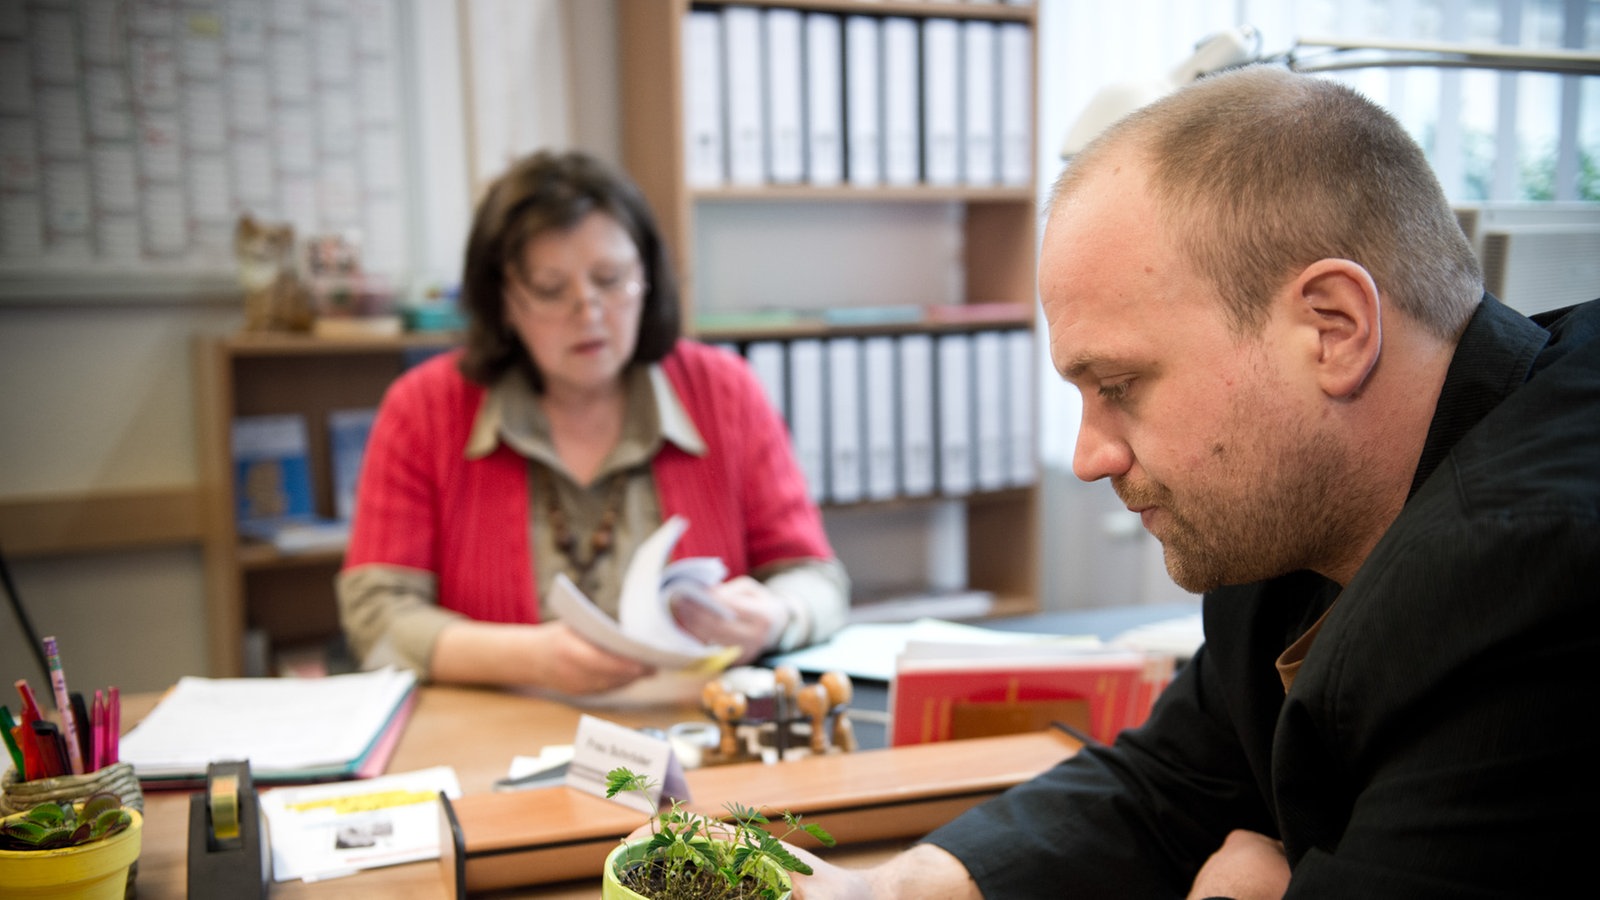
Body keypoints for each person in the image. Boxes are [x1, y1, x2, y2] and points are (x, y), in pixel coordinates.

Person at [790, 65, 1598, 898]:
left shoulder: (1538, 569)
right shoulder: (1296, 517)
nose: (1089, 457)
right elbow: (1171, 783)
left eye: (1120, 387)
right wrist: (888, 889)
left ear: (1333, 330)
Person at [337, 150, 850, 697]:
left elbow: (817, 579)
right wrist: (528, 658)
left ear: (648, 276)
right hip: (501, 740)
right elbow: (377, 614)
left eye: (610, 279)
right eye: (551, 289)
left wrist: (776, 613)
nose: (590, 312)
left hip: (692, 735)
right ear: (504, 300)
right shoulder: (425, 410)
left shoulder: (724, 392)